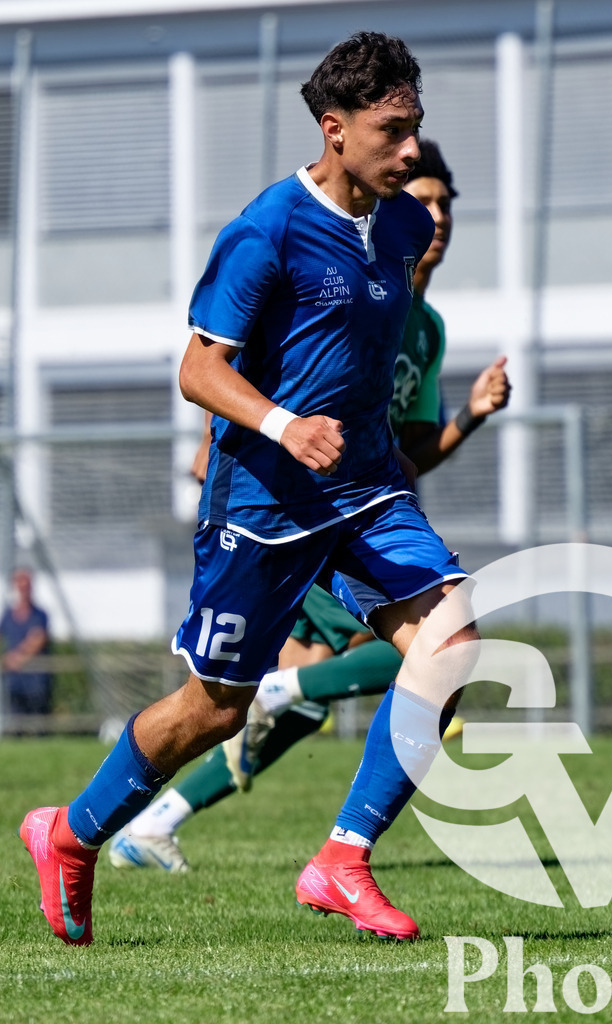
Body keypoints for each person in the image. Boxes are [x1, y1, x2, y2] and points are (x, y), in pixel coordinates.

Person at [20, 32, 482, 946]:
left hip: (362, 491)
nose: (409, 152)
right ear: (333, 129)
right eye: (391, 132)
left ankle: (341, 860)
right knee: (214, 709)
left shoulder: (402, 226)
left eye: (416, 129)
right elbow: (198, 368)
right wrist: (281, 424)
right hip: (262, 501)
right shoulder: (266, 227)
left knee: (453, 638)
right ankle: (70, 833)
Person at [108, 140, 510, 873]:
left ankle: (162, 818)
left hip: (362, 511)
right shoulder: (301, 244)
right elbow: (242, 359)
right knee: (311, 682)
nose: (435, 215)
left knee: (372, 672)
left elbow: (412, 453)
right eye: (422, 199)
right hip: (279, 508)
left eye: (446, 203)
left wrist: (472, 415)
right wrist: (224, 440)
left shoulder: (423, 330)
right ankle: (132, 815)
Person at [1, 568, 53, 721]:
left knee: (40, 725)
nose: (23, 590)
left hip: (36, 682)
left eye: (26, 586)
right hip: (14, 681)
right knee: (16, 726)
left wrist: (17, 658)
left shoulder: (40, 615)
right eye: (20, 586)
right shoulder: (8, 615)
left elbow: (38, 639)